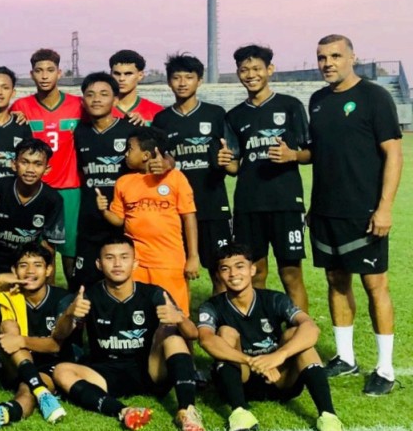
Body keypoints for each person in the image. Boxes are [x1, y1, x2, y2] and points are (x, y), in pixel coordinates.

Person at [306, 34, 403, 394]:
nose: (327, 63)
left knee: (375, 285)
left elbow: (393, 153)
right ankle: (345, 358)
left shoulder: (374, 96)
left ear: (352, 57)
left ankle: (385, 368)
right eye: (322, 57)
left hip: (364, 211)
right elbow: (323, 155)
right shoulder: (317, 101)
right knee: (336, 281)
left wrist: (385, 207)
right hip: (325, 212)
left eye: (335, 56)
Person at [51, 236, 206, 431]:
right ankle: (123, 411)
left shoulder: (153, 294)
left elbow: (192, 334)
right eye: (110, 258)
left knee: (173, 337)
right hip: (106, 373)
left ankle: (186, 411)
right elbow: (59, 336)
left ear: (135, 263)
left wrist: (180, 319)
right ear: (99, 264)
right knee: (62, 371)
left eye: (124, 257)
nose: (117, 264)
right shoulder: (89, 295)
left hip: (149, 371)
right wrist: (70, 314)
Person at [196, 244, 346, 431]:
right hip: (242, 379)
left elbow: (311, 328)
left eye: (240, 266)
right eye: (225, 269)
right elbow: (206, 339)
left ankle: (328, 417)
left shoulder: (274, 299)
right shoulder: (212, 306)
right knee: (225, 333)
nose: (233, 274)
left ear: (252, 269)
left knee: (296, 334)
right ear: (218, 275)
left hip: (278, 377)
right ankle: (240, 412)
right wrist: (251, 361)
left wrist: (279, 356)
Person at [225, 44, 311, 312]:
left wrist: (292, 155)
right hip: (249, 205)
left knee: (291, 273)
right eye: (244, 70)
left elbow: (312, 152)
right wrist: (225, 161)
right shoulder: (234, 116)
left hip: (285, 202)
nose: (250, 75)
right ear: (238, 73)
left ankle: (301, 335)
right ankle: (261, 330)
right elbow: (235, 166)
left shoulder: (290, 106)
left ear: (269, 69)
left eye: (256, 68)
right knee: (255, 272)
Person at [0, 139, 65, 364]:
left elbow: (49, 248)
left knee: (13, 314)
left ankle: (13, 355)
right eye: (25, 162)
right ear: (14, 164)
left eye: (37, 164)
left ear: (47, 169)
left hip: (21, 265)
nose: (30, 169)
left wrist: (48, 288)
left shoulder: (53, 199)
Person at [153, 54, 238, 290]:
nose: (182, 83)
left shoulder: (216, 114)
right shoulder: (162, 119)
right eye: (176, 77)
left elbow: (233, 165)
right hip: (175, 208)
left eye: (189, 77)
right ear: (168, 82)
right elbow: (159, 161)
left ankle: (221, 313)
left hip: (212, 205)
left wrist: (227, 161)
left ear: (199, 80)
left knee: (220, 271)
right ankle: (180, 313)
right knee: (176, 272)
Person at [0, 243, 71, 429]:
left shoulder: (62, 297)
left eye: (37, 265)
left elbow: (55, 345)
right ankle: (41, 390)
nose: (30, 271)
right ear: (14, 270)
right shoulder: (7, 296)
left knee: (27, 391)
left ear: (48, 270)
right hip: (12, 366)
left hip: (47, 367)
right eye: (23, 265)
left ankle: (1, 414)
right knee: (8, 325)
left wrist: (21, 341)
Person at [98, 126, 199, 315]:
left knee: (175, 314)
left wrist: (193, 256)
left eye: (130, 149)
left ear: (145, 155)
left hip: (168, 261)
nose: (125, 154)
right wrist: (104, 211)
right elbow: (119, 220)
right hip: (136, 262)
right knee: (139, 313)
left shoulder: (175, 178)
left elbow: (189, 217)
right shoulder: (123, 182)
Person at [10, 50, 84, 284]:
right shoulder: (21, 106)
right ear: (31, 74)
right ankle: (45, 303)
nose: (44, 76)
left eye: (50, 70)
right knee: (40, 256)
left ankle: (74, 304)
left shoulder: (78, 105)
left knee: (71, 257)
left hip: (70, 190)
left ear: (59, 73)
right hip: (35, 191)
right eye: (39, 71)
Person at [72, 72, 133, 287]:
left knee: (122, 281)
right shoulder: (79, 132)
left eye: (104, 94)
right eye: (90, 94)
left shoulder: (131, 130)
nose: (96, 99)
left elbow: (160, 158)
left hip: (124, 220)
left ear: (115, 100)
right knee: (84, 284)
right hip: (89, 220)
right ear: (83, 101)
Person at [108, 50, 164, 124]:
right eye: (117, 74)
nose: (121, 79)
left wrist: (146, 126)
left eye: (128, 74)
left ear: (140, 75)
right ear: (110, 74)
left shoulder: (157, 111)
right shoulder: (99, 109)